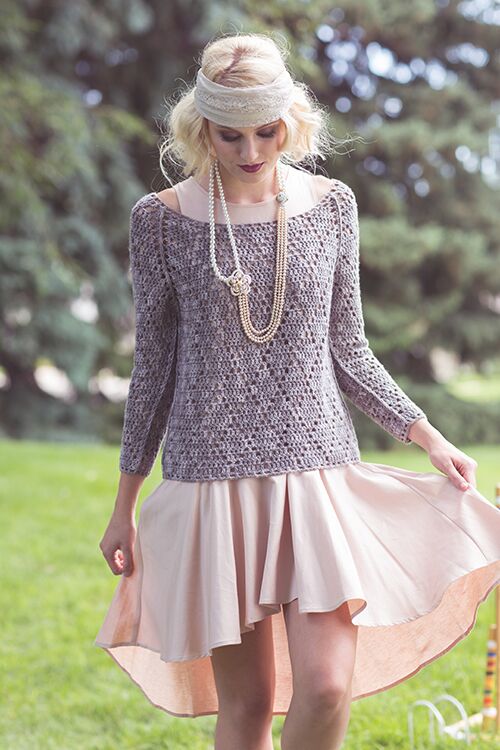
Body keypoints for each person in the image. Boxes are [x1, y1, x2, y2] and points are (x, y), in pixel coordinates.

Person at [94, 32, 500, 750]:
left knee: (326, 685)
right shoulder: (162, 219)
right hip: (212, 484)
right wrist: (124, 507)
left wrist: (429, 437)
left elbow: (349, 350)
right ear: (202, 128)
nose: (251, 150)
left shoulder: (331, 205)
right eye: (230, 135)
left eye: (266, 131)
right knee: (247, 705)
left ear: (290, 120)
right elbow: (153, 370)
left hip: (315, 476)